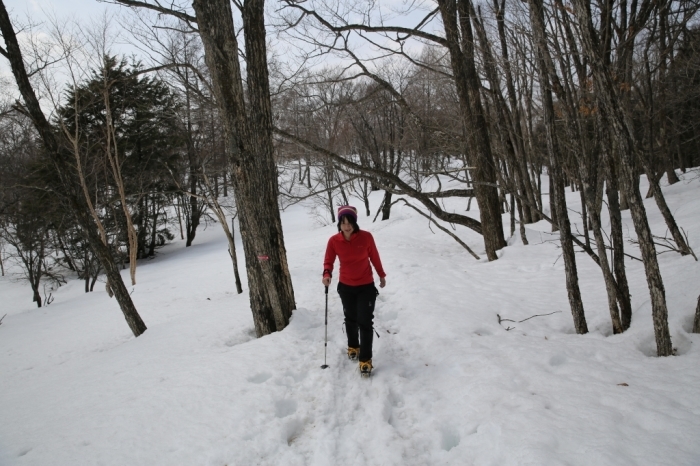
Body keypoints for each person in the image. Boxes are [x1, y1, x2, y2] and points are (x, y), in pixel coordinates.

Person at [322, 205, 386, 377]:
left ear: (354, 222)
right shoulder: (334, 241)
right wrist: (327, 273)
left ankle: (365, 360)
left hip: (366, 286)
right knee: (350, 319)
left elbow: (374, 256)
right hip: (346, 286)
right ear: (339, 224)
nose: (346, 226)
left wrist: (381, 275)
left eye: (349, 222)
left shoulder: (366, 237)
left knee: (365, 322)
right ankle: (353, 346)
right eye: (343, 222)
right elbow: (328, 260)